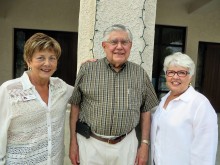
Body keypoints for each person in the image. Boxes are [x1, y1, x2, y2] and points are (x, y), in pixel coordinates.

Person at [68, 24, 158, 165]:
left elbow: (146, 109)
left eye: (124, 42)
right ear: (104, 46)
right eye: (114, 42)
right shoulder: (87, 70)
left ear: (131, 46)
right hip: (90, 143)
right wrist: (73, 141)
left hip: (126, 145)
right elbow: (75, 105)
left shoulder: (140, 73)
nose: (119, 47)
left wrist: (145, 144)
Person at [0, 33, 74, 165]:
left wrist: (89, 68)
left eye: (52, 58)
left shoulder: (60, 87)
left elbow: (83, 94)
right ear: (28, 60)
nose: (47, 63)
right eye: (41, 58)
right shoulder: (9, 90)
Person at [151, 52, 218, 165]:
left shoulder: (200, 105)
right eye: (171, 72)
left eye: (182, 73)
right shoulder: (164, 100)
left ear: (190, 76)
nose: (175, 77)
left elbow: (205, 152)